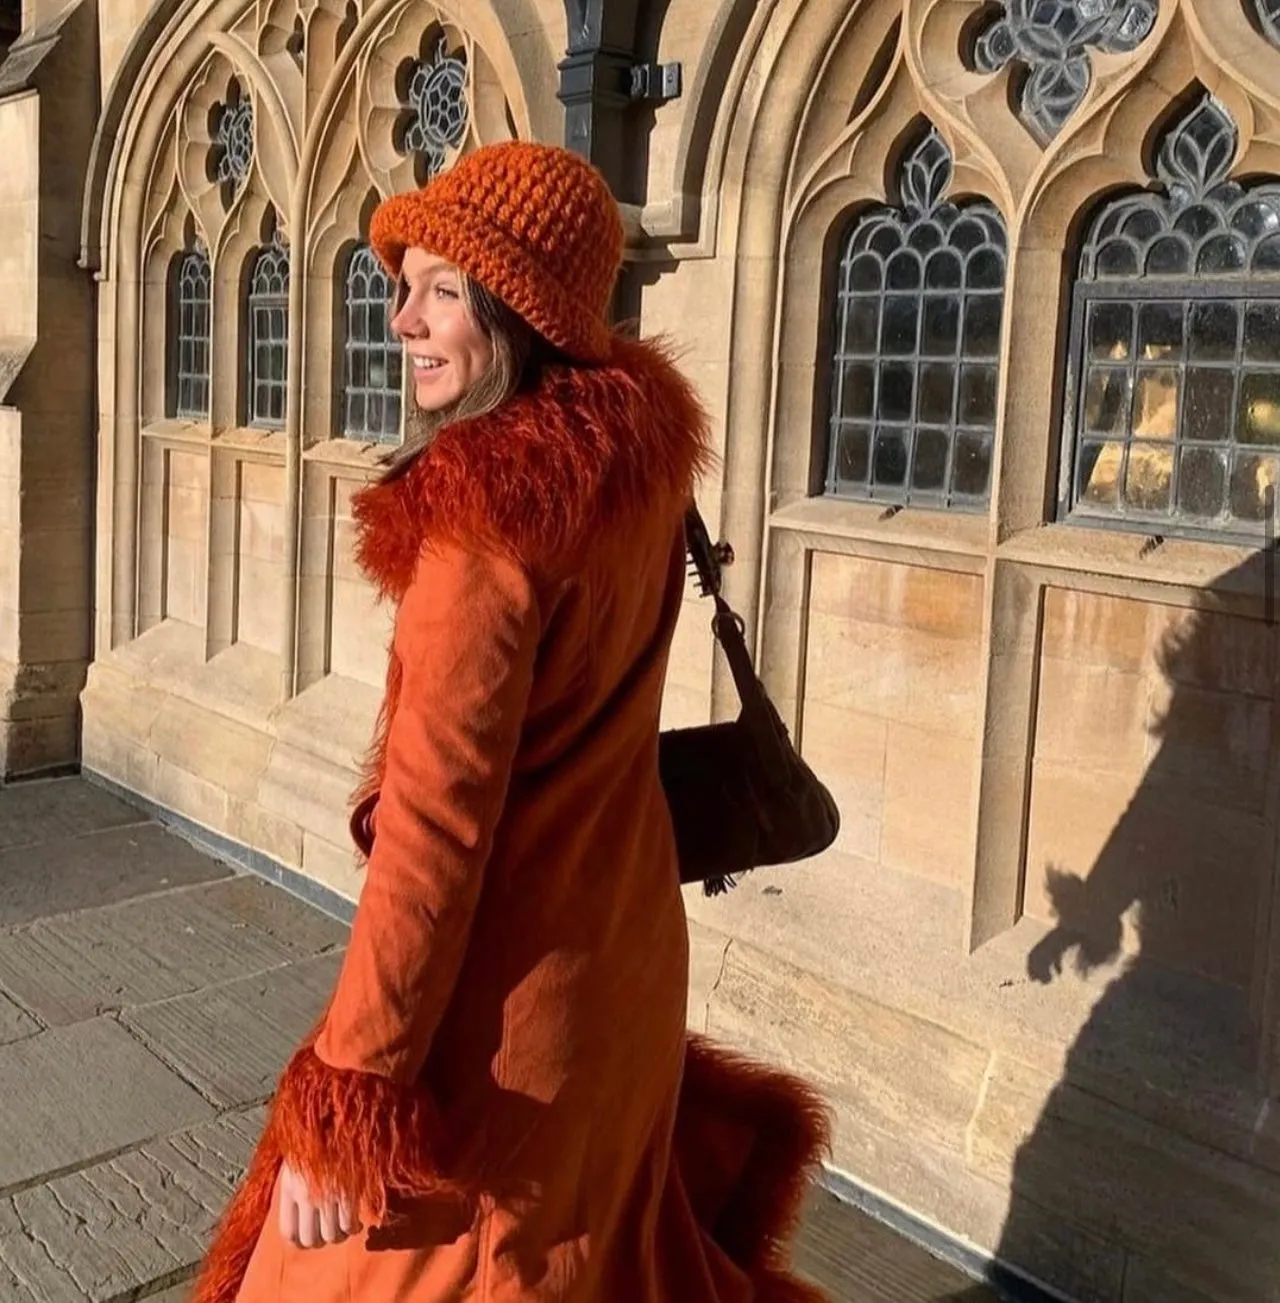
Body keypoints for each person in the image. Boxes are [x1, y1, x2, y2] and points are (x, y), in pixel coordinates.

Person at [191, 140, 831, 1303]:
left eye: (443, 291)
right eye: (404, 285)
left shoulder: (483, 532)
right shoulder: (632, 470)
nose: (402, 320)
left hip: (509, 1019)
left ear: (521, 310)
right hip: (623, 968)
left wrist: (358, 1084)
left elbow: (432, 833)